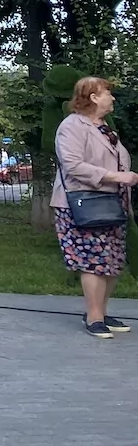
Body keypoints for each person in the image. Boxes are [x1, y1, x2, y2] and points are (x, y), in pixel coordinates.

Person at [51, 76, 136, 339]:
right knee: (93, 262)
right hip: (82, 205)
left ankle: (100, 311)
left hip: (111, 203)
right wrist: (116, 177)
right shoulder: (72, 126)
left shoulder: (103, 127)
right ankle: (94, 317)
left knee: (112, 261)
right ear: (93, 97)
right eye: (107, 93)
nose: (112, 98)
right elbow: (73, 165)